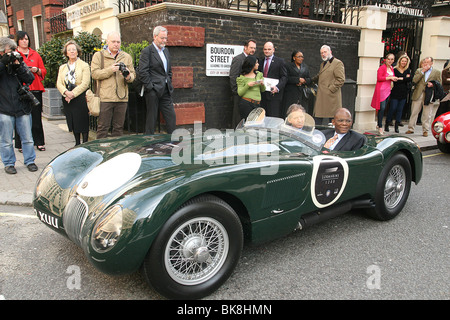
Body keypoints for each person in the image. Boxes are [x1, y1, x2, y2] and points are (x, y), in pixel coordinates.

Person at [0, 37, 37, 174]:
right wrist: (3, 64)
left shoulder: (17, 61)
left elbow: (30, 78)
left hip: (22, 106)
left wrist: (19, 66)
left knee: (27, 138)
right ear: (3, 51)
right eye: (11, 50)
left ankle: (30, 161)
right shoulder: (2, 62)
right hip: (4, 108)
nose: (14, 52)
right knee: (6, 139)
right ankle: (9, 163)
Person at [91, 32, 135, 139]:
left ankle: (116, 152)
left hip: (122, 98)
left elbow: (133, 75)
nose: (116, 44)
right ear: (107, 42)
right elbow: (94, 74)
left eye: (118, 42)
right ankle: (100, 151)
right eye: (113, 41)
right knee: (103, 128)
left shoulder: (126, 57)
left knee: (119, 128)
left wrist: (128, 76)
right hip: (105, 97)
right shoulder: (99, 56)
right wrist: (110, 70)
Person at [14, 31, 47, 152]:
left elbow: (43, 71)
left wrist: (36, 69)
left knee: (36, 117)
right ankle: (21, 143)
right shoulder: (14, 54)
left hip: (35, 88)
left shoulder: (35, 54)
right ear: (18, 41)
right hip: (20, 90)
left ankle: (39, 142)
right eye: (22, 39)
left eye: (26, 39)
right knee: (20, 117)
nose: (24, 41)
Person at [139, 26, 176, 134]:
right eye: (162, 38)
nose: (164, 40)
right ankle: (148, 144)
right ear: (155, 37)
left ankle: (172, 143)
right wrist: (150, 87)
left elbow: (168, 70)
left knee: (171, 117)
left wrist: (168, 81)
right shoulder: (147, 51)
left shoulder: (166, 51)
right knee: (151, 119)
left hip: (166, 90)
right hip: (153, 90)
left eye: (166, 38)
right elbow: (143, 72)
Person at [56, 40, 91, 146]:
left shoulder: (84, 65)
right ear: (66, 53)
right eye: (69, 50)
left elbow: (85, 83)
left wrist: (73, 94)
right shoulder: (62, 67)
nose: (72, 52)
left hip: (80, 97)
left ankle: (85, 143)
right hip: (67, 98)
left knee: (82, 121)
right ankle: (76, 143)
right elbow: (59, 83)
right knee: (73, 121)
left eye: (74, 49)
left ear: (77, 52)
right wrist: (66, 92)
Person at [405, 57, 441, 137]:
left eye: (428, 62)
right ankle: (411, 128)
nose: (426, 64)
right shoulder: (419, 70)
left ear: (432, 63)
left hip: (429, 94)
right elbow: (414, 80)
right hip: (419, 93)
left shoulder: (436, 72)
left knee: (427, 114)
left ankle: (425, 130)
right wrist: (423, 71)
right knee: (414, 112)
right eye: (425, 62)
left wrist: (433, 85)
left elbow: (439, 83)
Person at [312, 45, 345, 125]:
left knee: (333, 120)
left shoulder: (337, 63)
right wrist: (310, 80)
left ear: (330, 52)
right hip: (322, 96)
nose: (323, 54)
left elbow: (341, 79)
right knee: (318, 119)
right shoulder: (323, 64)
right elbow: (320, 76)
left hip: (331, 97)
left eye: (325, 52)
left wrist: (330, 89)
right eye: (321, 53)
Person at [229, 39, 256, 127]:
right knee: (238, 117)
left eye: (254, 48)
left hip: (249, 95)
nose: (253, 50)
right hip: (239, 94)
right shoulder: (238, 59)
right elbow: (233, 76)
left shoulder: (253, 60)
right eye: (251, 47)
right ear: (245, 47)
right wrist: (236, 91)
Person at [258, 42, 287, 118]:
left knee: (273, 118)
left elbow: (284, 77)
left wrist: (277, 87)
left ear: (273, 50)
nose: (267, 51)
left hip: (274, 96)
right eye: (265, 49)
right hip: (262, 94)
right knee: (262, 118)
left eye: (269, 49)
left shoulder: (280, 61)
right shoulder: (260, 62)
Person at [370, 53, 398, 135]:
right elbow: (379, 78)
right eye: (389, 59)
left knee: (384, 108)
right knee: (381, 108)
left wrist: (394, 79)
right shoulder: (382, 68)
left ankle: (379, 125)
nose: (390, 61)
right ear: (386, 59)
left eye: (392, 59)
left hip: (388, 90)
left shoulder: (391, 68)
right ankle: (380, 125)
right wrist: (390, 77)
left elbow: (390, 78)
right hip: (381, 90)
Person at [385, 54, 412, 133]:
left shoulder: (407, 70)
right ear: (399, 61)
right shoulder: (395, 69)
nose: (403, 62)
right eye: (402, 61)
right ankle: (387, 123)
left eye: (405, 61)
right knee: (392, 108)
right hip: (395, 91)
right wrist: (404, 78)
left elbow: (409, 79)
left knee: (400, 110)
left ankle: (397, 126)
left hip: (403, 92)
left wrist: (401, 78)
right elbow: (394, 79)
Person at [282, 50, 311, 117]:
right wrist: (297, 80)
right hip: (290, 93)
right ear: (294, 58)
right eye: (299, 57)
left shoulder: (305, 67)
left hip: (301, 94)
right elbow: (286, 78)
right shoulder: (288, 66)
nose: (301, 58)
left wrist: (304, 81)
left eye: (302, 57)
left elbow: (309, 79)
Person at [236, 56, 265, 120]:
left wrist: (262, 84)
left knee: (257, 123)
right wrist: (247, 85)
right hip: (246, 103)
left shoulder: (259, 74)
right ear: (252, 64)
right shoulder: (242, 77)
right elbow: (240, 93)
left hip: (257, 104)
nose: (258, 64)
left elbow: (263, 90)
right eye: (256, 63)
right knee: (247, 123)